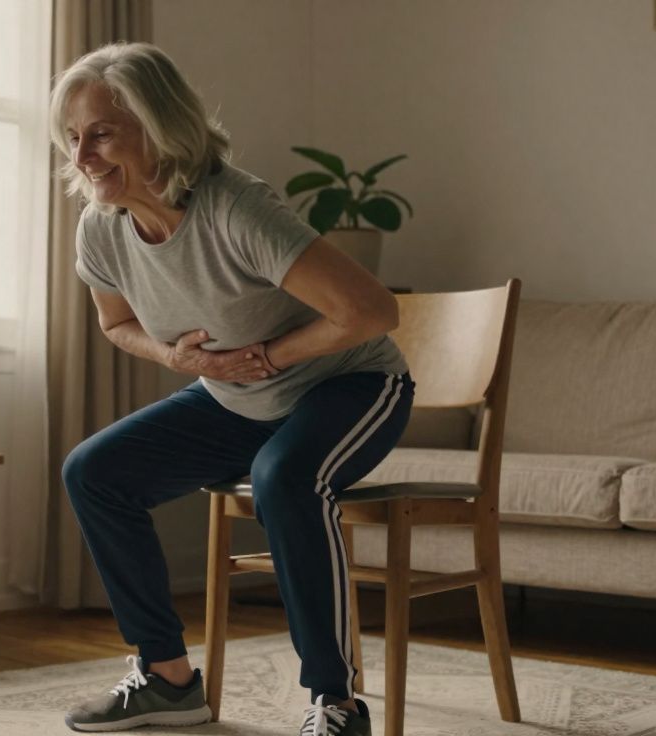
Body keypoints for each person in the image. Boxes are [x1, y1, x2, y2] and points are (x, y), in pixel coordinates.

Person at [53, 42, 413, 736]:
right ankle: (167, 680)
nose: (82, 157)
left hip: (353, 386)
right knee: (95, 472)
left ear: (159, 127)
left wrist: (272, 355)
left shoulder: (235, 209)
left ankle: (336, 704)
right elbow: (116, 324)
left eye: (100, 133)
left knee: (283, 479)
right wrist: (185, 360)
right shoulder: (101, 230)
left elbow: (372, 312)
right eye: (72, 138)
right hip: (235, 399)